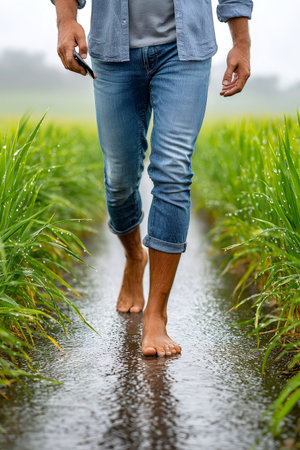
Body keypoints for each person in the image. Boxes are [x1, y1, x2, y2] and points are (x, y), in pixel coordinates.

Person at [52, 0, 253, 357]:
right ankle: (134, 257)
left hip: (185, 52)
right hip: (114, 54)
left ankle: (156, 316)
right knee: (119, 177)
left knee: (174, 169)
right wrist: (66, 20)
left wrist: (242, 42)